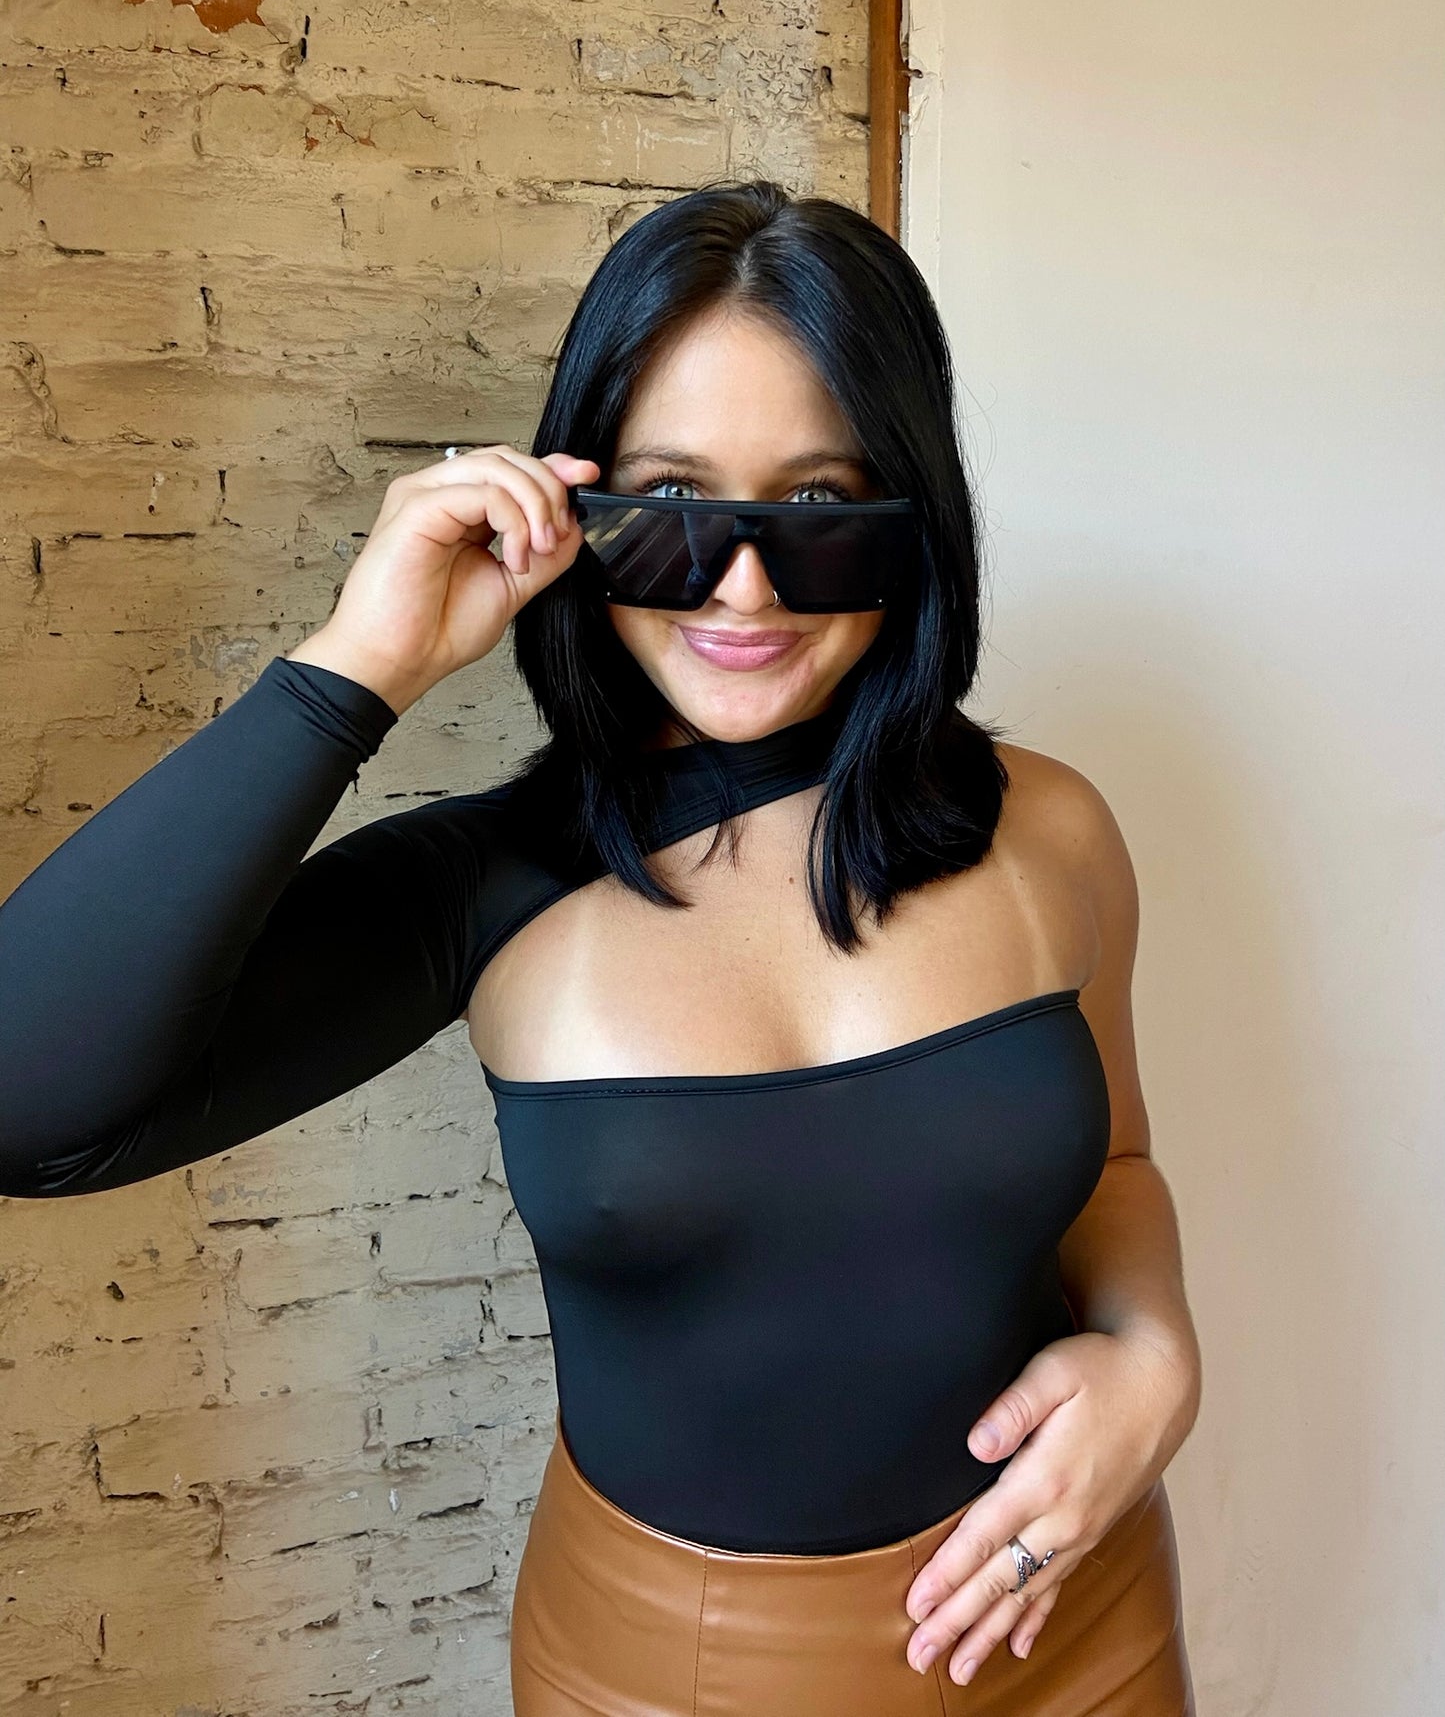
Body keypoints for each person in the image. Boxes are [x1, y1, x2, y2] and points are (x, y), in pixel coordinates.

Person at [0, 181, 1199, 1714]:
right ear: (574, 513)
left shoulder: (1051, 828)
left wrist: (1154, 1353)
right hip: (667, 1669)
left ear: (911, 521)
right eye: (670, 506)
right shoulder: (492, 888)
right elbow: (27, 1102)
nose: (743, 586)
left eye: (819, 509)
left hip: (1075, 1618)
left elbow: (1114, 1167)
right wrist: (357, 665)